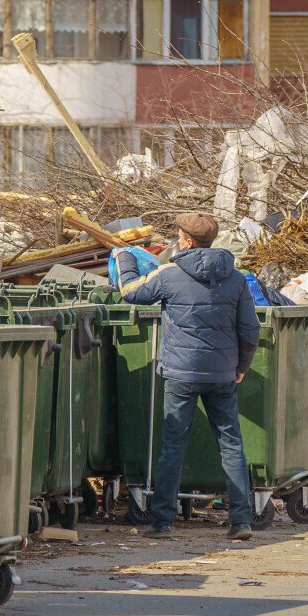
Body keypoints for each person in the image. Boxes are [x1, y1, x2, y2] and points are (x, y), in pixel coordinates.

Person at [115, 213, 260, 540]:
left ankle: (162, 522)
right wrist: (241, 367)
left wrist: (123, 256)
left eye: (179, 236)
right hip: (222, 374)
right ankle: (241, 522)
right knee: (231, 444)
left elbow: (130, 291)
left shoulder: (171, 274)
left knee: (173, 446)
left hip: (180, 373)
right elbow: (250, 330)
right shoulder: (235, 278)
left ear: (188, 241)